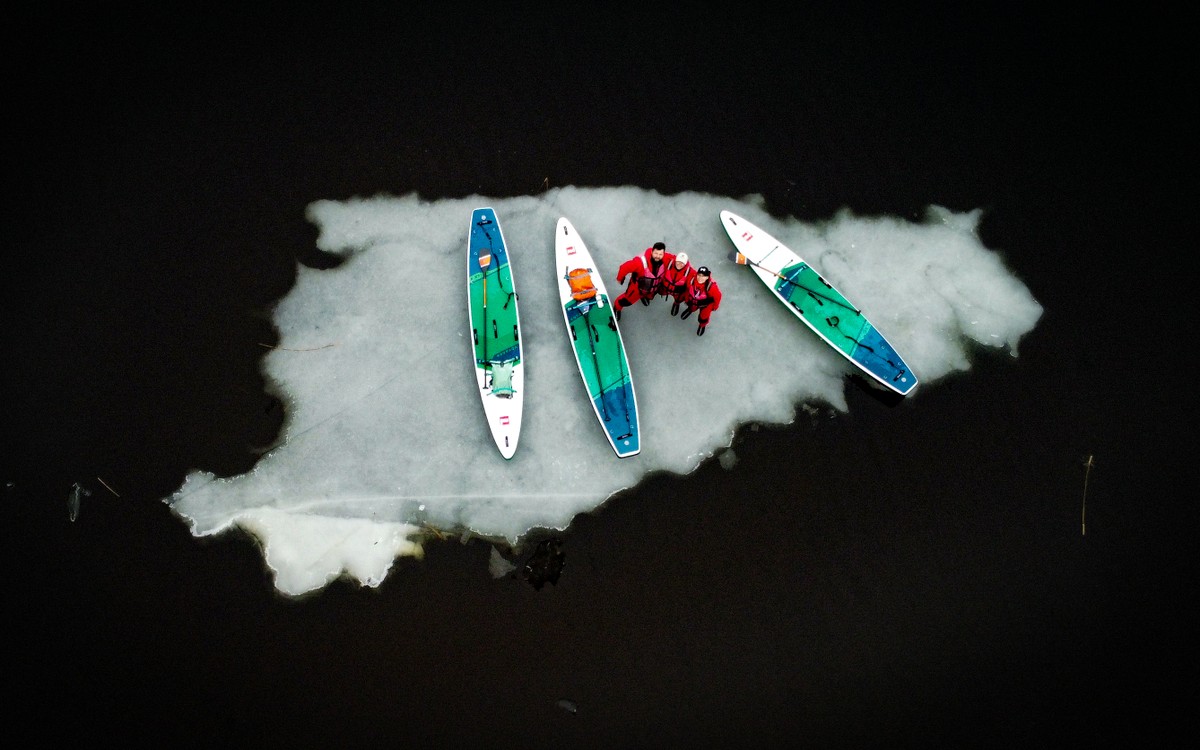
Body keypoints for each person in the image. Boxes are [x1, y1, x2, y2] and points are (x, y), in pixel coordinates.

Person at [614, 241, 673, 319]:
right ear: (652, 252)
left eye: (660, 254)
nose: (658, 256)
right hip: (637, 289)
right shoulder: (640, 262)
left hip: (651, 289)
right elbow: (624, 267)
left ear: (664, 254)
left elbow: (680, 261)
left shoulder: (666, 259)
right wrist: (620, 278)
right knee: (626, 301)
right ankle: (617, 307)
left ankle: (644, 296)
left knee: (650, 295)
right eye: (656, 253)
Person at [679, 265, 722, 336]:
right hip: (693, 300)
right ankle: (690, 310)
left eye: (703, 276)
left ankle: (702, 325)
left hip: (705, 305)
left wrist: (715, 307)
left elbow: (718, 296)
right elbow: (687, 290)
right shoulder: (692, 280)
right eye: (699, 275)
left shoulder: (711, 287)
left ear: (707, 277)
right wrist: (686, 299)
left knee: (703, 317)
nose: (700, 278)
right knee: (691, 307)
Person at [658, 252, 694, 316]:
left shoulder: (690, 272)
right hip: (665, 288)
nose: (680, 264)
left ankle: (676, 303)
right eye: (678, 262)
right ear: (675, 260)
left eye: (682, 263)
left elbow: (701, 277)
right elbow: (657, 252)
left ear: (685, 264)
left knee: (679, 299)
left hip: (678, 293)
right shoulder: (669, 262)